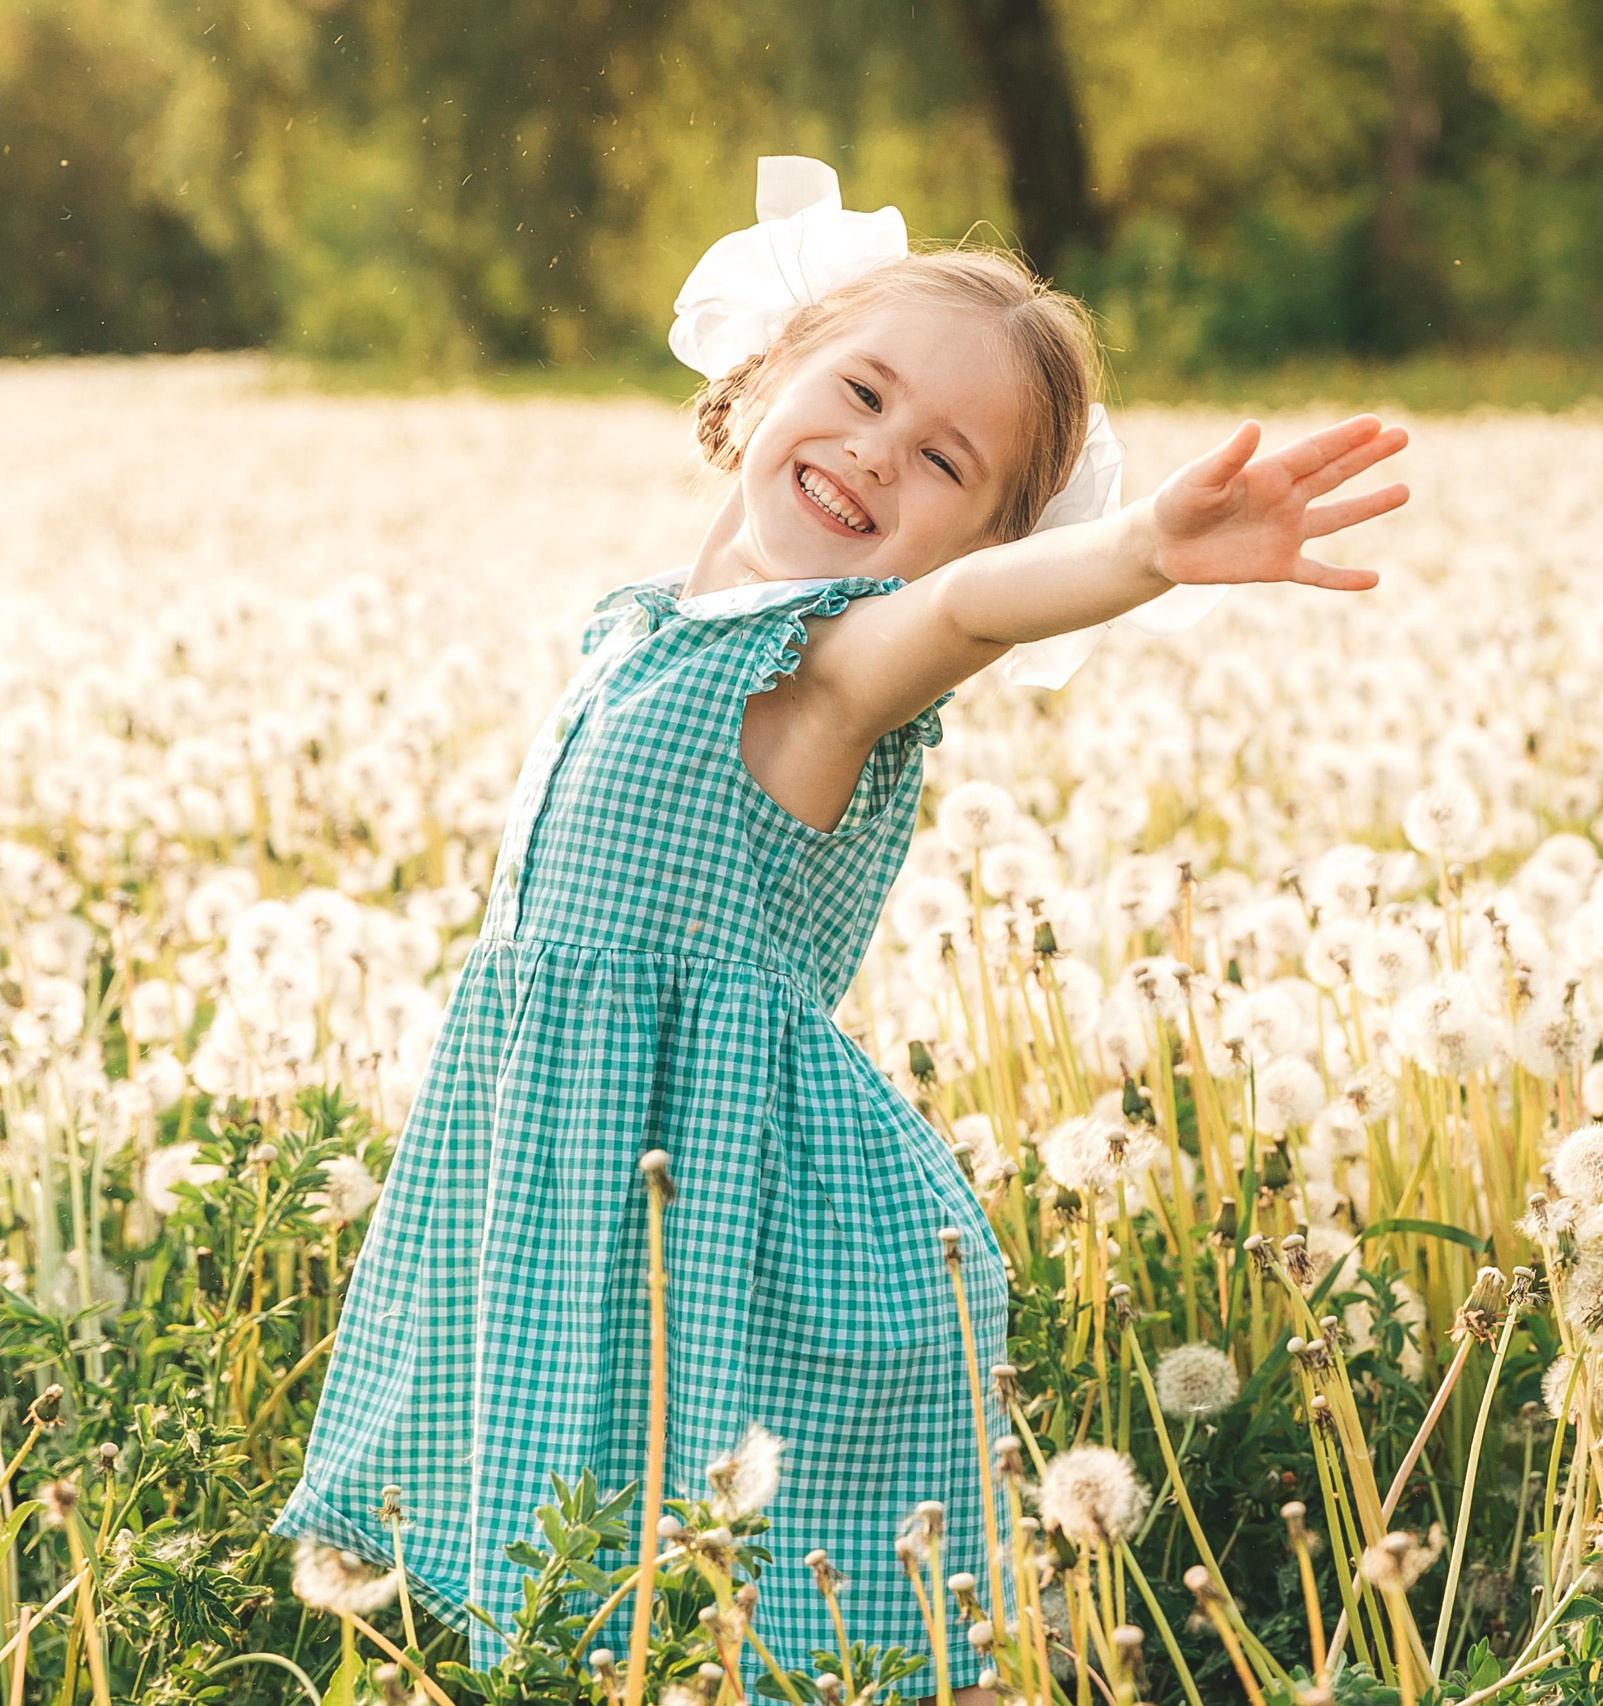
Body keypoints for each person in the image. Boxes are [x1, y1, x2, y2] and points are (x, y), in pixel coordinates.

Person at [270, 156, 1410, 1689]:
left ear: (976, 542)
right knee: (537, 1510)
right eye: (861, 391)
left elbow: (964, 616)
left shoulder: (833, 678)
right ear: (756, 382)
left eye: (945, 463)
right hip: (550, 1161)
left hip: (712, 1194)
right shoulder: (638, 628)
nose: (876, 454)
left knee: (699, 1550)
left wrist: (1140, 553)